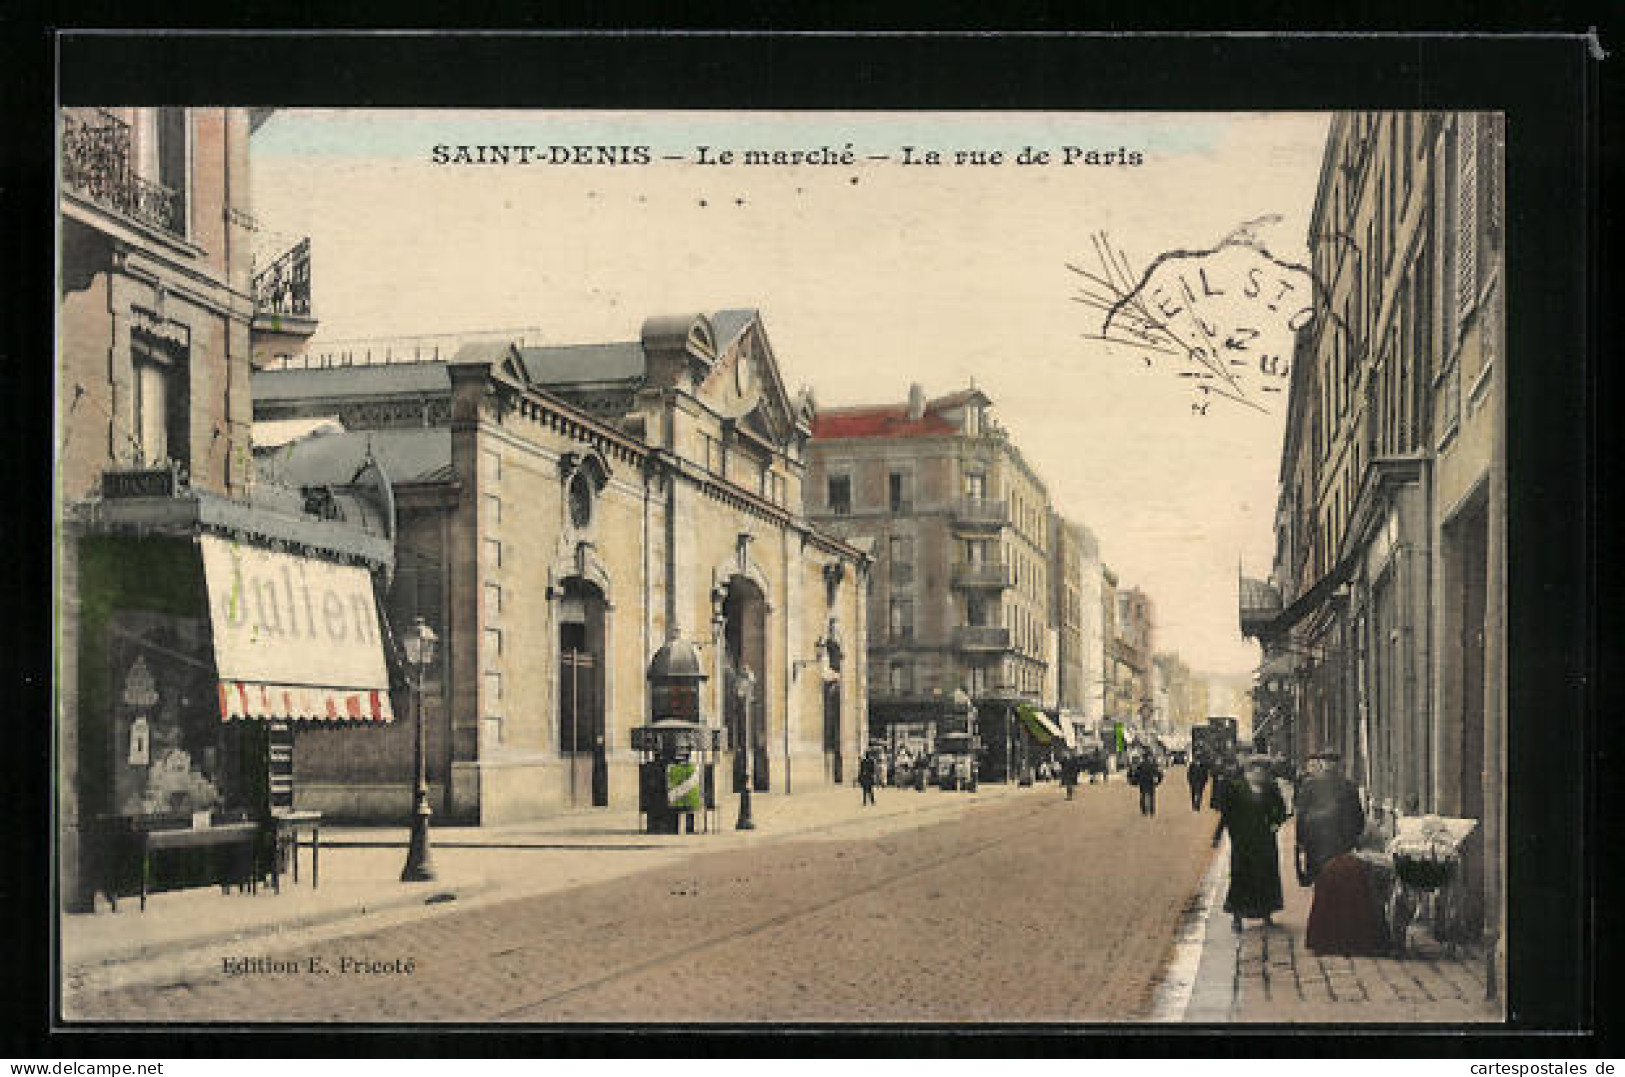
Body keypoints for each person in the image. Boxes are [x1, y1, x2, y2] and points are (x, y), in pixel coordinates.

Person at [1211, 757, 1288, 930]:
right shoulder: (1235, 789)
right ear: (1247, 771)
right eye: (1254, 769)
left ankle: (1266, 914)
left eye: (1262, 770)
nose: (1258, 773)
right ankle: (1237, 916)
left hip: (1265, 841)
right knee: (1241, 878)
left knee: (1266, 877)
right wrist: (1219, 835)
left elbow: (1281, 810)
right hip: (1242, 841)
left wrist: (1275, 823)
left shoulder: (1271, 789)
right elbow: (1226, 815)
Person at [1294, 750, 1365, 885]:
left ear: (1322, 764)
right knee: (1341, 881)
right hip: (1342, 843)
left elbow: (1301, 815)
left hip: (1316, 842)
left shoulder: (1309, 784)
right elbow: (1359, 817)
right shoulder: (1349, 785)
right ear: (1339, 764)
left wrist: (1301, 840)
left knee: (1320, 880)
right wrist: (1353, 838)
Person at [1128, 750, 1163, 816]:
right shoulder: (1152, 765)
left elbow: (1136, 774)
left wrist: (1134, 781)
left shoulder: (1140, 765)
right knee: (1152, 797)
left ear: (1143, 758)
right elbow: (1158, 773)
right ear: (1149, 757)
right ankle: (1152, 811)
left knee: (1143, 796)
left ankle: (1144, 811)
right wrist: (1158, 781)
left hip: (1143, 783)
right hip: (1151, 782)